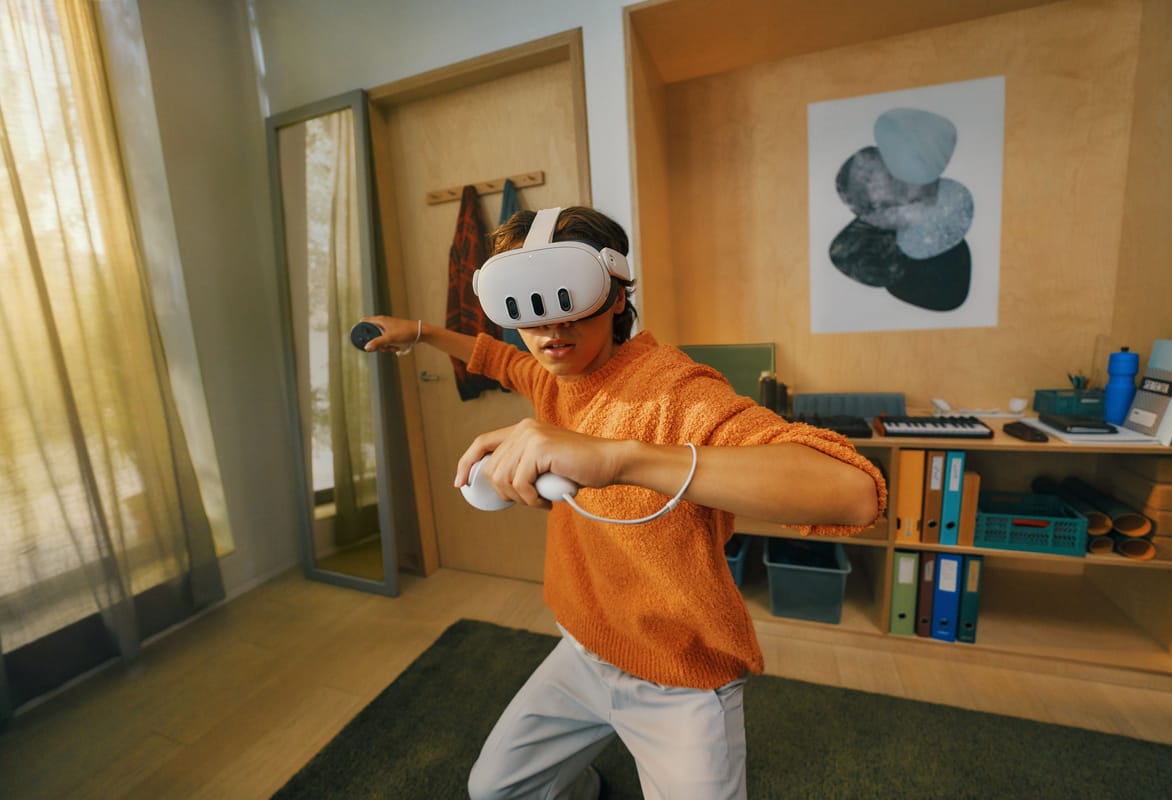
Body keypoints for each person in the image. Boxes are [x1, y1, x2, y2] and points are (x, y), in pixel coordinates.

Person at [361, 206, 885, 800]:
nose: (551, 330)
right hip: (584, 648)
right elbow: (499, 360)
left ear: (614, 294)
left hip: (681, 675)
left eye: (569, 301)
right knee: (494, 790)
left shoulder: (675, 390)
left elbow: (853, 492)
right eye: (528, 309)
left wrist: (619, 458)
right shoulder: (552, 376)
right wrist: (420, 333)